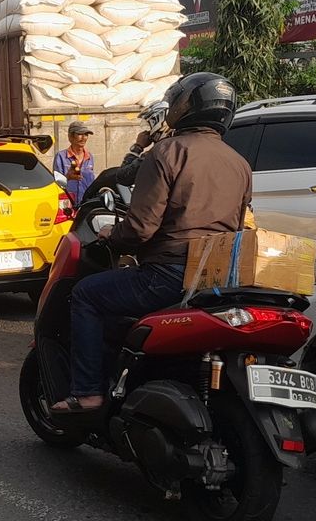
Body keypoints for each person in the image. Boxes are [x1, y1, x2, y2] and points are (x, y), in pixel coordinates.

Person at [51, 73, 249, 413]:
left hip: (168, 275)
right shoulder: (239, 162)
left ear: (184, 108)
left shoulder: (167, 152)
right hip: (217, 280)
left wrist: (112, 235)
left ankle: (87, 392)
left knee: (85, 295)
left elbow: (140, 229)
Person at [81, 101, 169, 202]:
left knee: (107, 175)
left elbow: (123, 176)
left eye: (150, 126)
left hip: (156, 206)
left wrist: (137, 147)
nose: (147, 132)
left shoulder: (157, 152)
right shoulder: (176, 145)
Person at [54, 121, 97, 207]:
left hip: (86, 203)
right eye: (80, 134)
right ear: (70, 137)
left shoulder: (89, 157)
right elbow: (57, 185)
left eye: (86, 134)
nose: (83, 138)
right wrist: (67, 177)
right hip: (68, 204)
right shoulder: (61, 157)